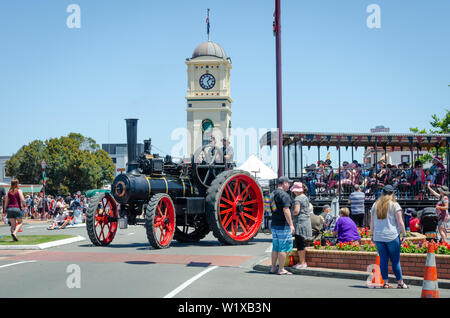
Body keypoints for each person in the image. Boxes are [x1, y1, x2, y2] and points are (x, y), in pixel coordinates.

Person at [370, 185, 408, 289]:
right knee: (395, 261)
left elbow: (372, 222)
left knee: (383, 260)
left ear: (382, 193)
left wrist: (371, 234)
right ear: (392, 193)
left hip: (378, 236)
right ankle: (400, 282)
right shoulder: (395, 205)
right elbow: (400, 222)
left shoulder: (375, 205)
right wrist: (404, 234)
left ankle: (385, 282)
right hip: (391, 235)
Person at [269, 176, 295, 275]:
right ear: (283, 183)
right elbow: (286, 210)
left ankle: (273, 268)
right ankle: (281, 269)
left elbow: (269, 208)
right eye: (288, 183)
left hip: (274, 224)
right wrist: (291, 225)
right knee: (283, 248)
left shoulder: (272, 194)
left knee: (275, 247)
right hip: (283, 226)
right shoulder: (284, 195)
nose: (289, 185)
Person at [290, 182, 312, 270]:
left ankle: (302, 263)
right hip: (306, 221)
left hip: (299, 223)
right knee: (302, 242)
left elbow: (296, 211)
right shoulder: (305, 197)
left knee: (299, 243)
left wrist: (290, 214)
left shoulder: (298, 198)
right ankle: (301, 262)